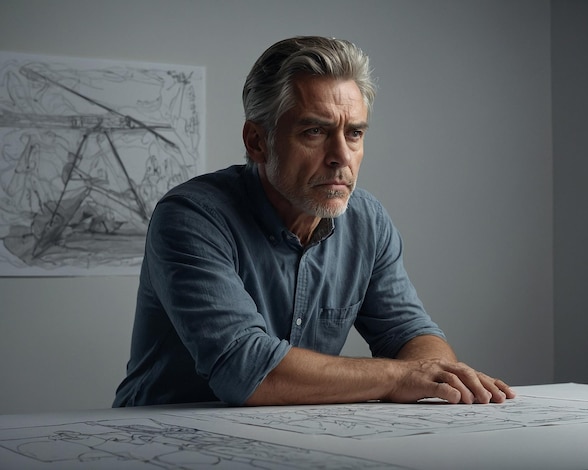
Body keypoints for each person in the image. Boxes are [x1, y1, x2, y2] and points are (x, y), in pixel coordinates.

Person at [113, 36, 515, 408]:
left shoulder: (367, 221)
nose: (341, 156)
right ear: (257, 141)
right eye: (314, 131)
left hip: (294, 443)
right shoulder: (192, 216)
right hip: (160, 441)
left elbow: (412, 337)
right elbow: (246, 371)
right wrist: (400, 375)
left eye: (354, 133)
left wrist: (429, 373)